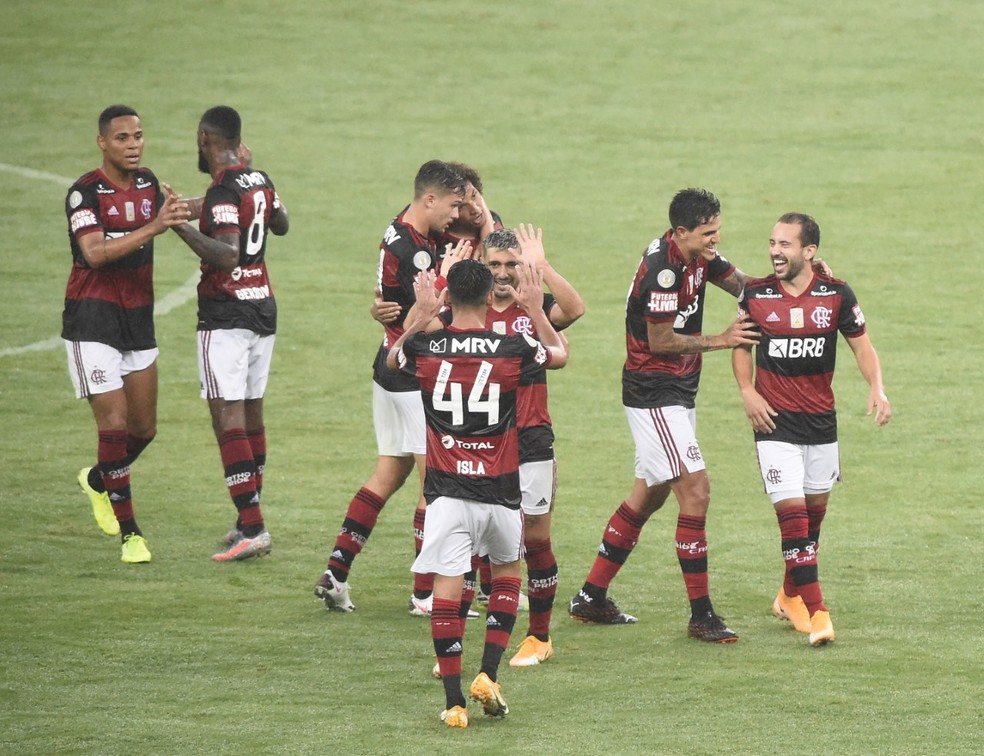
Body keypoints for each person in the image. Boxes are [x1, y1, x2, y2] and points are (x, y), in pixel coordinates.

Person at [567, 187, 759, 642]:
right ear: (681, 232)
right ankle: (701, 615)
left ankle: (591, 596)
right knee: (696, 489)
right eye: (708, 233)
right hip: (654, 394)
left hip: (676, 393)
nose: (716, 240)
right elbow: (660, 341)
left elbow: (745, 285)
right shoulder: (664, 271)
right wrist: (721, 339)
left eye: (718, 231)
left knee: (649, 494)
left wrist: (802, 280)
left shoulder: (697, 254)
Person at [386, 259, 568, 728]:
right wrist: (534, 308)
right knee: (506, 575)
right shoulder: (512, 346)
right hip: (501, 490)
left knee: (448, 592)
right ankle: (488, 673)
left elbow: (393, 360)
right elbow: (559, 353)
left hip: (446, 492)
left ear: (448, 299)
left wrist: (423, 313)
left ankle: (453, 702)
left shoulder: (426, 345)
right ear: (492, 297)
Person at [314, 160, 468, 611]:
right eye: (453, 205)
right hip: (411, 372)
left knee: (390, 472)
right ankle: (424, 594)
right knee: (432, 482)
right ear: (430, 199)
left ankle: (336, 572)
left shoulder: (413, 231)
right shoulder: (410, 250)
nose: (457, 215)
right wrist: (445, 284)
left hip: (389, 368)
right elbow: (419, 326)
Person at [732, 212, 891, 647]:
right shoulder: (757, 294)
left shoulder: (836, 295)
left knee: (813, 520)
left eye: (784, 244)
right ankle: (818, 611)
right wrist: (747, 390)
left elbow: (863, 345)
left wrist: (877, 387)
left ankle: (788, 594)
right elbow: (741, 347)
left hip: (821, 422)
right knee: (793, 520)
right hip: (774, 424)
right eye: (772, 243)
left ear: (809, 251)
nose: (774, 251)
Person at [65, 104, 190, 564]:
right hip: (92, 323)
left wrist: (225, 194)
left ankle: (98, 480)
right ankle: (130, 535)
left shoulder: (147, 183)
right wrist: (156, 225)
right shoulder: (85, 194)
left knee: (144, 429)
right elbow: (95, 253)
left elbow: (173, 212)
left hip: (138, 322)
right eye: (122, 138)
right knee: (113, 426)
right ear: (103, 143)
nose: (133, 145)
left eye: (138, 136)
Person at [171, 105, 289, 561]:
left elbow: (227, 256)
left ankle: (254, 528)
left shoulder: (223, 190)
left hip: (225, 312)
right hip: (263, 307)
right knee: (252, 413)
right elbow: (281, 224)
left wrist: (177, 224)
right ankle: (246, 518)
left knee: (228, 417)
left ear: (204, 137)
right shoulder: (258, 179)